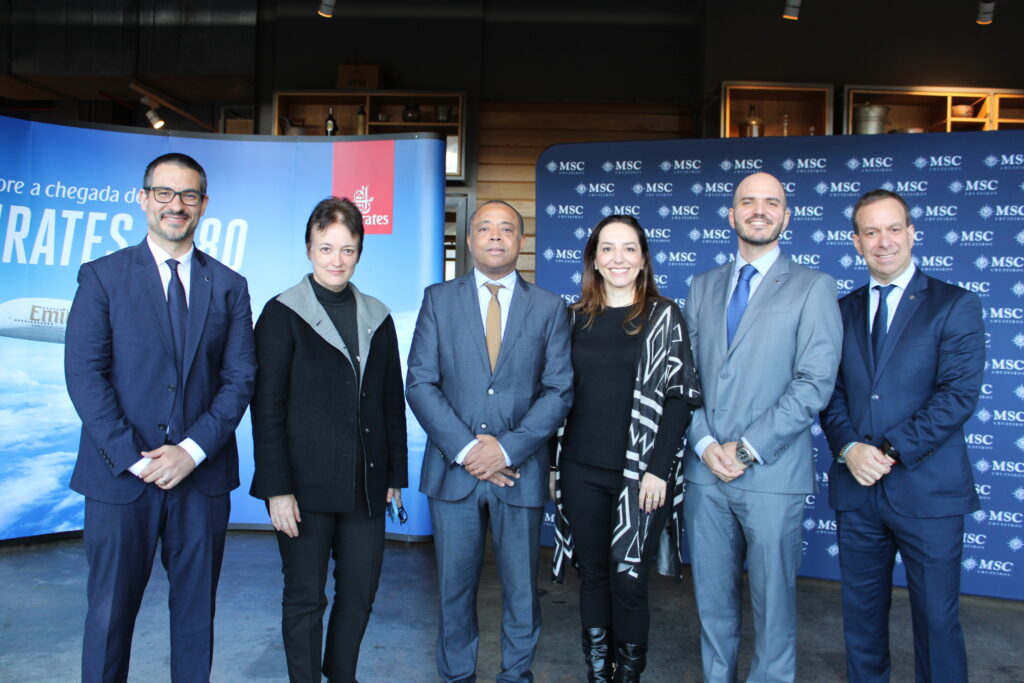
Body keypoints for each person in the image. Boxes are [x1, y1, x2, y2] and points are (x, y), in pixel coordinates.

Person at [64, 152, 257, 682]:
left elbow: (239, 380)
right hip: (119, 480)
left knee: (196, 619)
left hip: (201, 480)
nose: (177, 205)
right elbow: (84, 375)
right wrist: (134, 458)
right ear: (144, 198)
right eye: (165, 193)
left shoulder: (230, 286)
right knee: (108, 619)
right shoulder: (102, 278)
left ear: (204, 205)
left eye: (189, 195)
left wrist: (191, 452)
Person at [682, 171, 842, 682]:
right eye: (747, 201)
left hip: (772, 474)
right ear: (730, 215)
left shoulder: (814, 286)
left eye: (770, 202)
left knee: (774, 605)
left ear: (785, 217)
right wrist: (705, 444)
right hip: (706, 473)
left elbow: (813, 383)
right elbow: (683, 377)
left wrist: (747, 448)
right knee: (712, 600)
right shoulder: (702, 286)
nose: (758, 209)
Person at [820, 189, 985, 682]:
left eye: (893, 229)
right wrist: (850, 448)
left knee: (937, 622)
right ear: (856, 242)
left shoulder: (955, 305)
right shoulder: (839, 310)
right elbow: (828, 394)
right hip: (858, 492)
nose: (883, 241)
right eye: (871, 232)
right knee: (862, 622)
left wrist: (886, 452)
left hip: (928, 492)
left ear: (913, 234)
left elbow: (957, 396)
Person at [406, 200, 573, 682]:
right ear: (470, 240)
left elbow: (559, 390)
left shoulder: (548, 308)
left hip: (518, 471)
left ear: (521, 242)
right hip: (453, 471)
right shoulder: (439, 299)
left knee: (522, 588)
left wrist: (504, 449)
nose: (495, 236)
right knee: (453, 589)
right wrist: (467, 449)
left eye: (506, 229)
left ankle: (515, 675)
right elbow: (420, 382)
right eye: (485, 228)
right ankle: (457, 675)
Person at [249, 197, 408, 683]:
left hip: (365, 486)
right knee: (305, 597)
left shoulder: (377, 316)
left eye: (347, 249)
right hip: (302, 489)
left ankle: (341, 676)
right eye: (326, 248)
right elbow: (266, 406)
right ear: (308, 249)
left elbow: (390, 402)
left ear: (359, 251)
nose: (336, 260)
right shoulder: (280, 314)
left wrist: (394, 477)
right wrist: (276, 489)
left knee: (359, 593)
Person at [551, 215, 701, 682]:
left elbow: (681, 396)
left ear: (643, 259)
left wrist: (659, 470)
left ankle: (627, 676)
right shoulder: (572, 318)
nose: (619, 258)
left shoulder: (663, 317)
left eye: (629, 249)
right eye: (608, 249)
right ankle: (599, 674)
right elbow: (557, 395)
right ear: (594, 258)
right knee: (593, 575)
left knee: (629, 578)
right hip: (580, 468)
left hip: (640, 476)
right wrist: (556, 467)